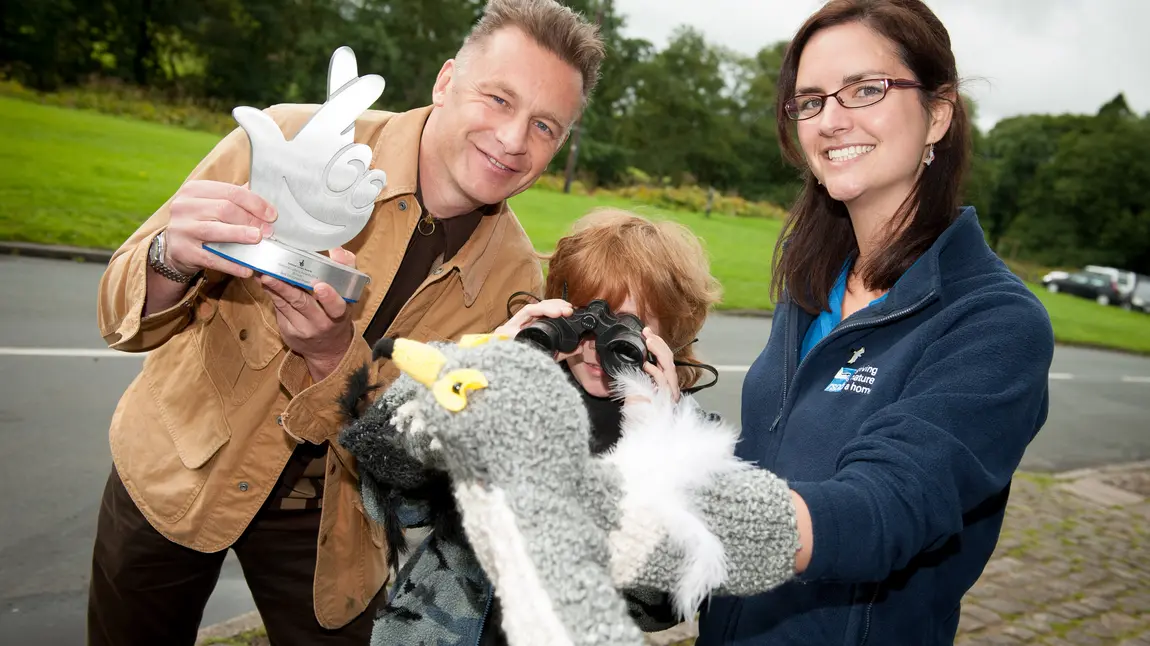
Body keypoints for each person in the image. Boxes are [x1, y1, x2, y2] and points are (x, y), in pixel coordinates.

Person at [87, 1, 604, 644]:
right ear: (446, 82)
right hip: (177, 468)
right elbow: (119, 316)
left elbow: (427, 465)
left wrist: (336, 360)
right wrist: (170, 257)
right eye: (498, 99)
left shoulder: (515, 285)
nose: (514, 139)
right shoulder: (290, 140)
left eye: (546, 125)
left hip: (331, 521)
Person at [694, 1, 1055, 644]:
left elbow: (886, 507)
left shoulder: (996, 321)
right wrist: (654, 412)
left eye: (866, 90)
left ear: (937, 114)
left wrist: (670, 515)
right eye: (810, 100)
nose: (832, 120)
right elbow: (763, 465)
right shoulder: (809, 289)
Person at [337, 208, 723, 645]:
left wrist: (658, 441)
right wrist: (481, 366)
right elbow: (391, 489)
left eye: (627, 329)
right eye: (589, 321)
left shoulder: (689, 444)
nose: (600, 347)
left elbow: (660, 602)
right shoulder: (511, 391)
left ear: (670, 336)